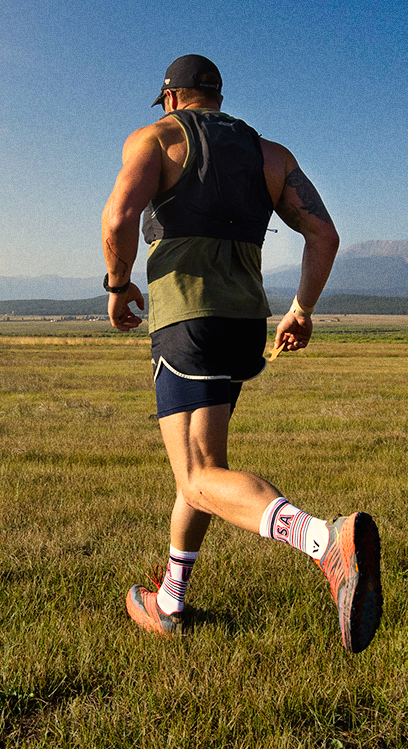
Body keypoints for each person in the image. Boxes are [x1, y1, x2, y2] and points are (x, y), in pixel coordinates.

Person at [101, 54, 381, 653]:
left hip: (186, 322)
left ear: (171, 98)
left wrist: (119, 284)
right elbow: (324, 235)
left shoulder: (154, 139)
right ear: (218, 97)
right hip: (242, 323)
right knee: (203, 469)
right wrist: (301, 309)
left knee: (199, 477)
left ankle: (324, 541)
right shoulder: (270, 155)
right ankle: (171, 602)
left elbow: (121, 214)